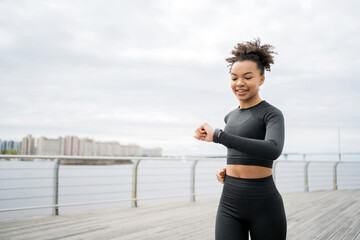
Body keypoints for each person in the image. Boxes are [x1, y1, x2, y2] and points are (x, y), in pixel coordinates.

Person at [193, 38, 287, 240]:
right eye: (234, 78)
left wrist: (219, 135)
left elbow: (273, 149)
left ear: (261, 79)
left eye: (247, 77)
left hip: (264, 204)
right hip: (229, 203)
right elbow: (239, 150)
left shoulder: (271, 114)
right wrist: (231, 170)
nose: (239, 83)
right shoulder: (230, 117)